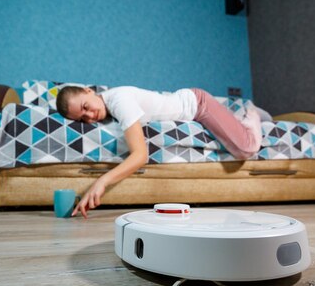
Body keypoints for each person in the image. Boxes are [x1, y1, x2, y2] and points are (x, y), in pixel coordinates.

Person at [56, 85, 269, 218]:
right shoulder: (110, 104)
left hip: (198, 104)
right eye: (82, 119)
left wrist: (101, 181)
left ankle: (251, 114)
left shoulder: (119, 100)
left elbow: (140, 155)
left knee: (246, 148)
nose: (90, 116)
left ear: (89, 91)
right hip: (190, 100)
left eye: (85, 107)